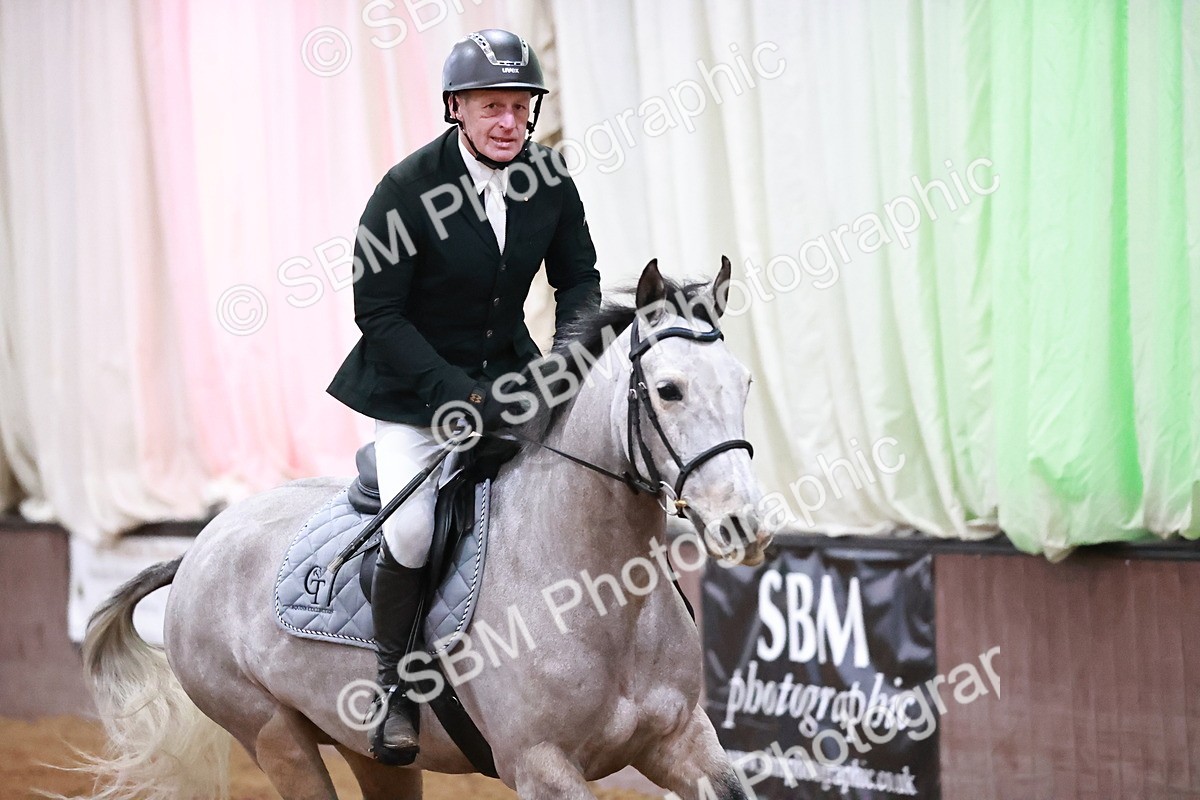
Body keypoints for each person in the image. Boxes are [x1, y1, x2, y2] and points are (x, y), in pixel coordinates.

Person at [326, 29, 600, 764]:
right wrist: (457, 395)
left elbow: (578, 278)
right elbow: (378, 313)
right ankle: (395, 687)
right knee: (413, 531)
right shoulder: (406, 189)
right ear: (456, 107)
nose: (509, 122)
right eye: (491, 107)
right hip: (414, 393)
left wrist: (569, 360)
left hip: (511, 379)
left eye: (520, 107)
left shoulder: (548, 179)